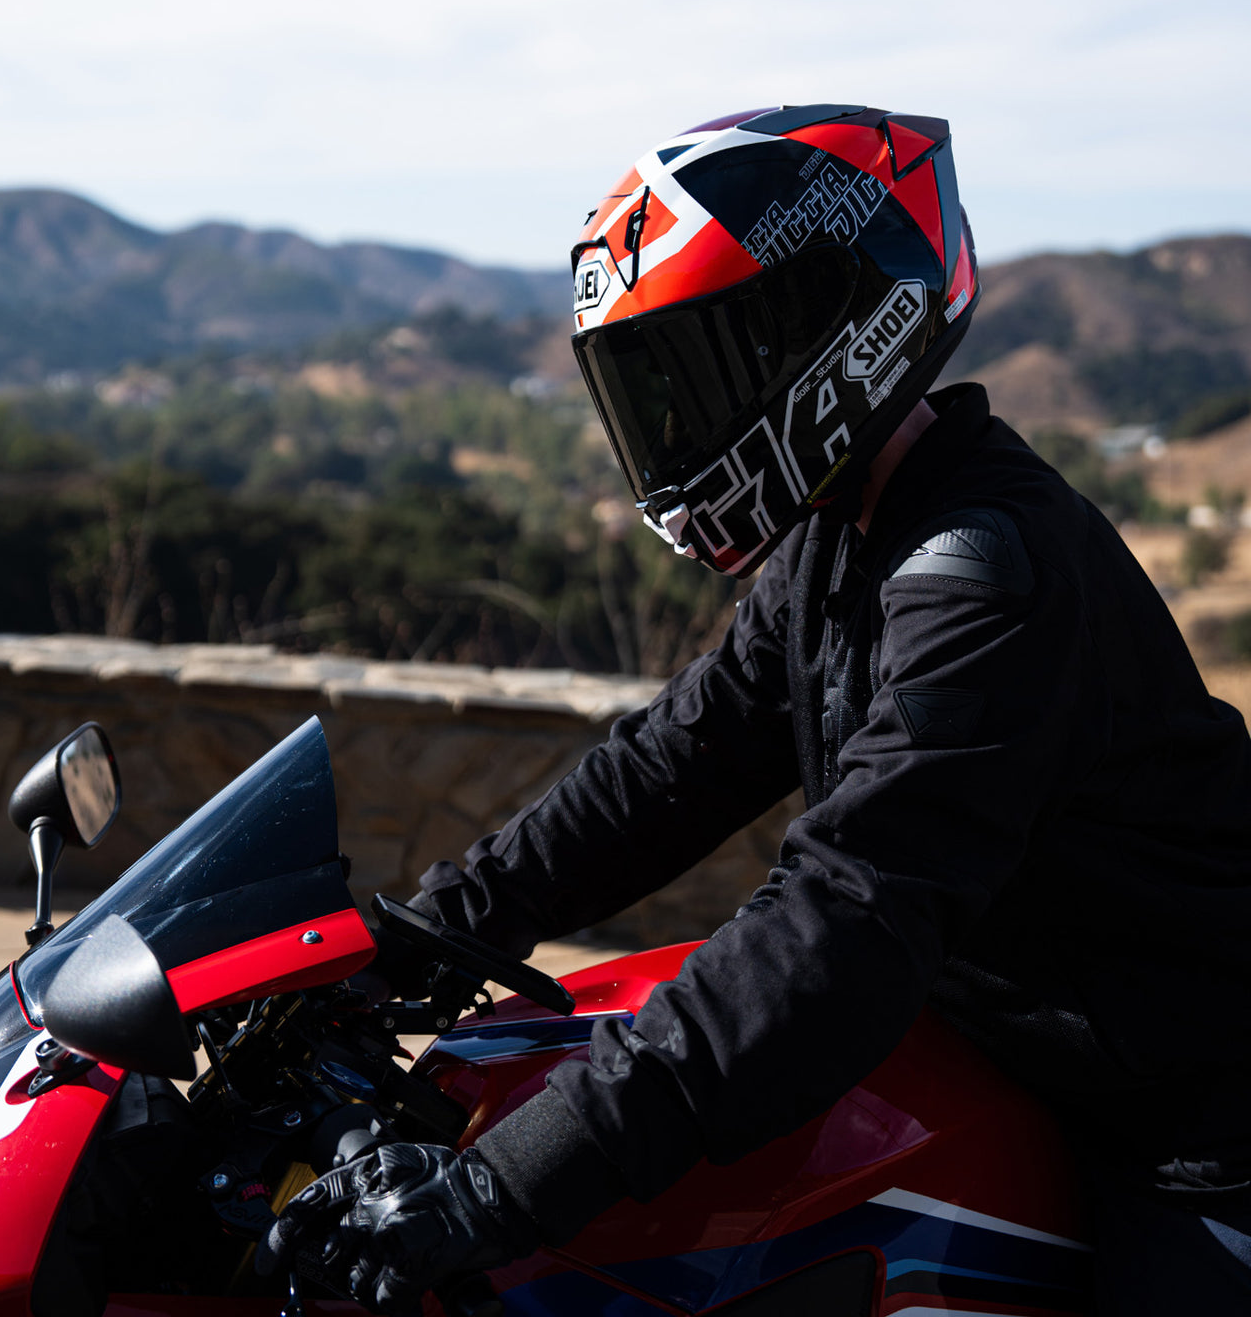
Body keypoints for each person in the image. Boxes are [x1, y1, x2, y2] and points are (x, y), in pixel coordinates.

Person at [263, 105, 1251, 1313]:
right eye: (650, 390)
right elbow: (664, 768)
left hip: (1187, 1115)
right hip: (1011, 1056)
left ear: (834, 328)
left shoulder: (983, 573)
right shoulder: (840, 538)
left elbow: (847, 911)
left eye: (700, 369)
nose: (676, 428)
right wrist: (416, 937)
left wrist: (503, 1187)